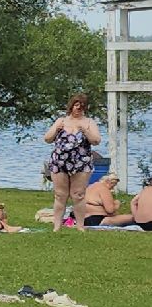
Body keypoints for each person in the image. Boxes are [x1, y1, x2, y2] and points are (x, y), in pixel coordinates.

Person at [44, 93, 101, 231]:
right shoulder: (61, 121)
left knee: (78, 194)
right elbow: (47, 139)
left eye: (82, 106)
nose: (78, 109)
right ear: (71, 106)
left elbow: (96, 140)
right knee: (60, 195)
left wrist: (85, 131)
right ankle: (57, 227)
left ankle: (80, 226)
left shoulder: (89, 122)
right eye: (76, 106)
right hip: (60, 161)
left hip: (81, 162)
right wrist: (56, 129)